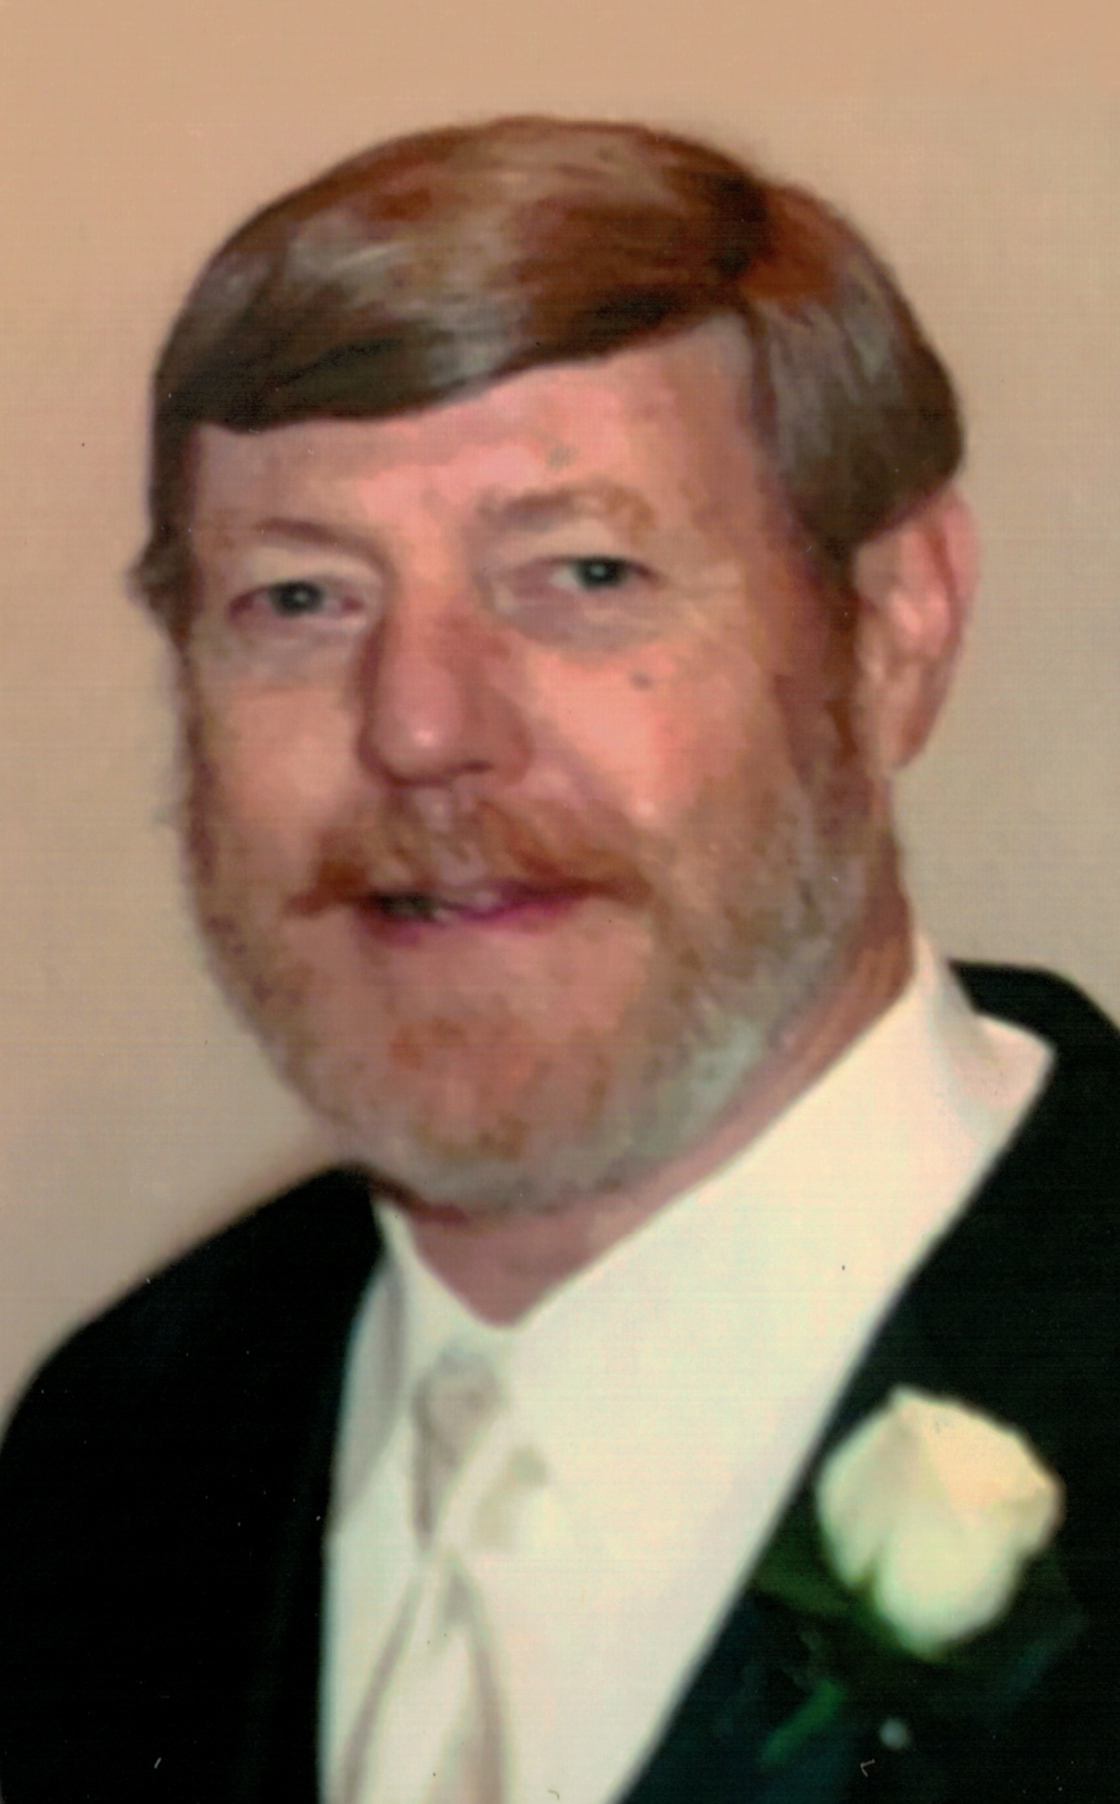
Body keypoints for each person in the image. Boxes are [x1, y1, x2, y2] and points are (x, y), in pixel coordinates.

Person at [0, 116, 1116, 1804]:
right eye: (298, 601)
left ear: (896, 630)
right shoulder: (126, 1446)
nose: (419, 728)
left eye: (584, 574)